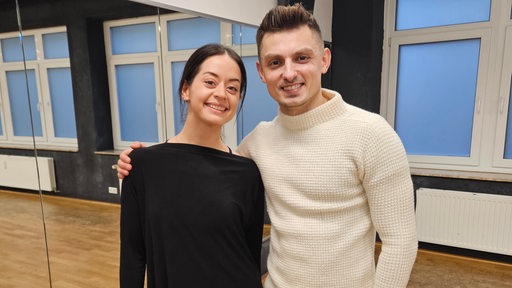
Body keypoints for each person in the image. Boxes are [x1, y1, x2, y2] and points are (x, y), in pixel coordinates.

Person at [118, 4, 417, 288]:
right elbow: (203, 167)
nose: (288, 73)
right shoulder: (258, 143)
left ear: (324, 60)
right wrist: (141, 161)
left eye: (302, 58)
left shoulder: (372, 134)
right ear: (262, 72)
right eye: (276, 62)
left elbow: (400, 242)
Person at [119, 43, 265, 288]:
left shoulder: (247, 173)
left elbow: (250, 256)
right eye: (210, 82)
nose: (221, 93)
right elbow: (133, 256)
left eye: (232, 87)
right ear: (186, 89)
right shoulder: (142, 166)